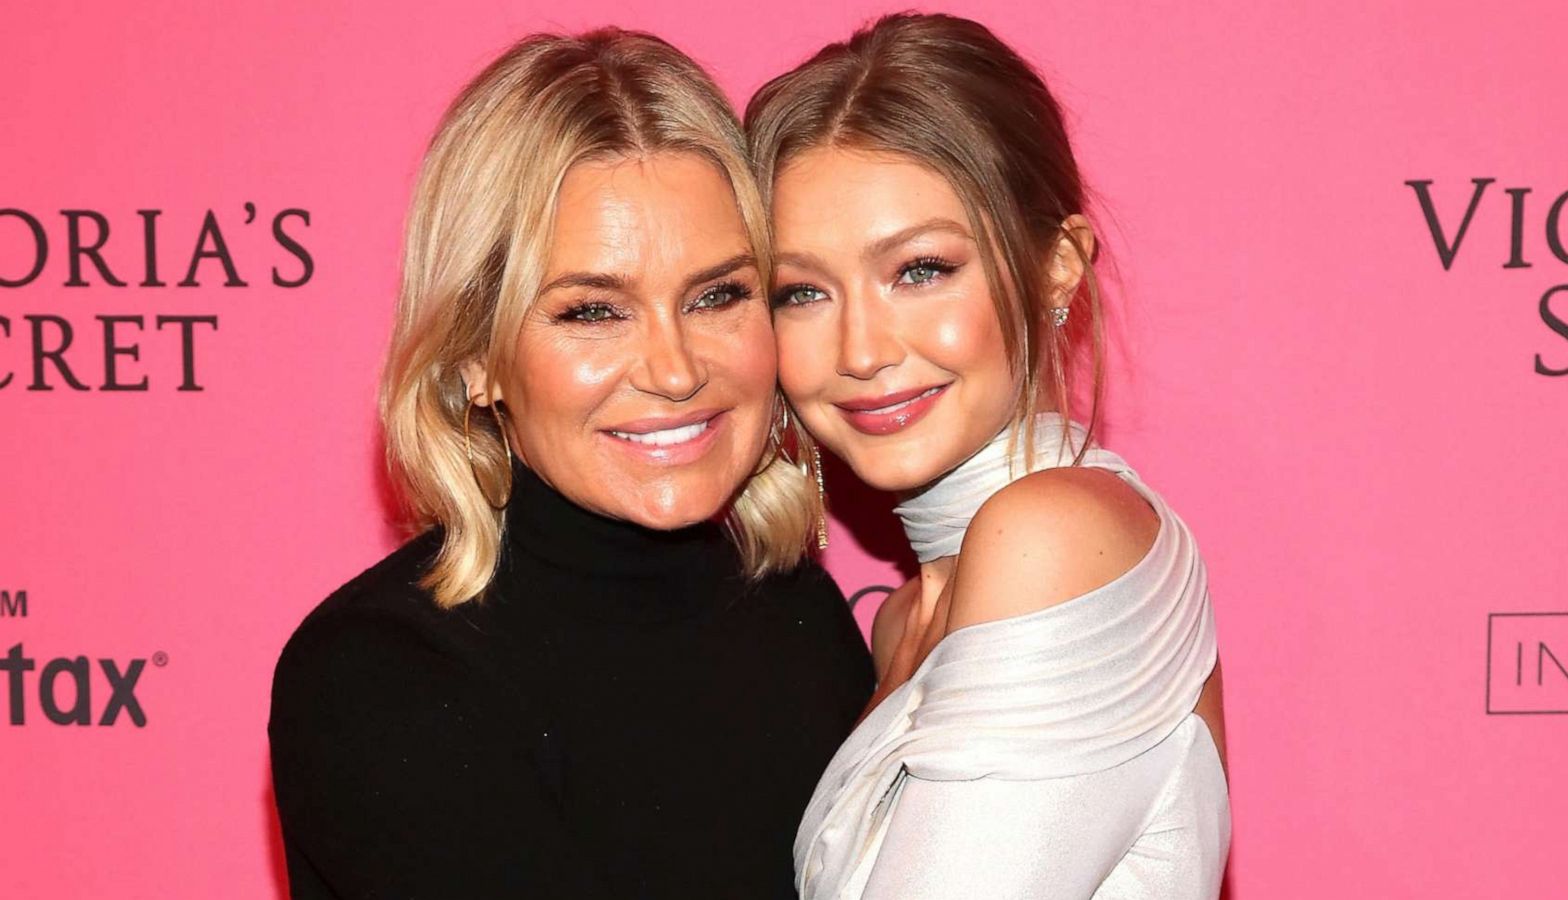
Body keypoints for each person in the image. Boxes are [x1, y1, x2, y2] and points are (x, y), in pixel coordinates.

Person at [268, 29, 874, 899]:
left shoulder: (796, 610)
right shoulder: (382, 678)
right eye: (593, 311)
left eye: (717, 295)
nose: (674, 369)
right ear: (474, 356)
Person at [746, 13, 1230, 899]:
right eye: (803, 290)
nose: (861, 348)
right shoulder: (906, 617)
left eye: (921, 269)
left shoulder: (1055, 537)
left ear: (1056, 264)